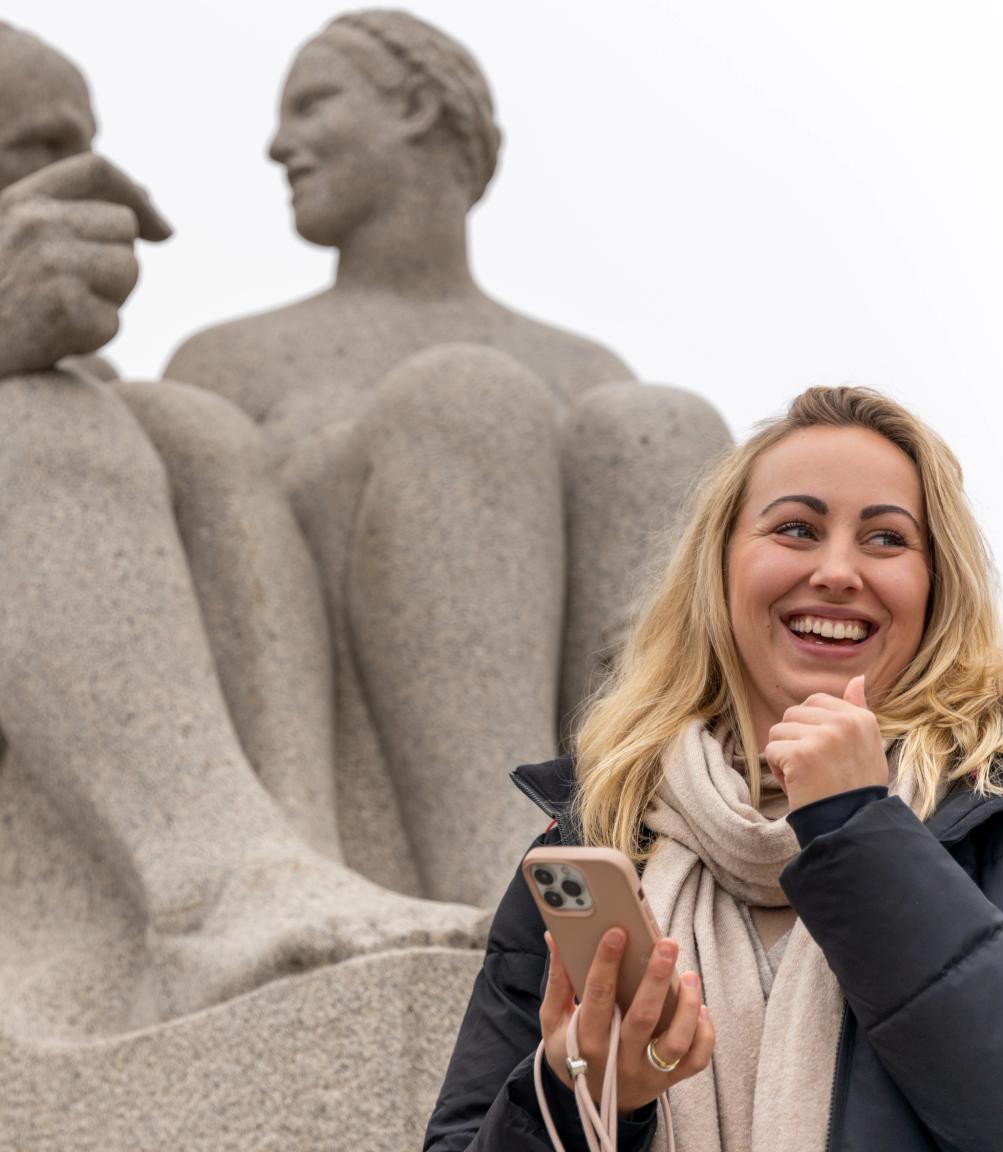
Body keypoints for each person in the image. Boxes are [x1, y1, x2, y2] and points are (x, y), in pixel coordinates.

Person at [0, 17, 482, 1028]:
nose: (75, 181)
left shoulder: (88, 390)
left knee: (187, 426)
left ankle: (293, 857)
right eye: (39, 149)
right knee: (34, 424)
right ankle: (209, 890)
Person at [167, 9, 734, 907]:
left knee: (658, 422)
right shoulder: (224, 362)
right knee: (465, 395)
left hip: (615, 788)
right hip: (356, 779)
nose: (280, 145)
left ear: (420, 110)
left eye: (312, 105)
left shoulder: (588, 372)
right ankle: (509, 881)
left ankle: (680, 852)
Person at [424, 385, 1003, 1151]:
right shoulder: (599, 829)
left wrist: (861, 832)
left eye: (885, 540)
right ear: (723, 567)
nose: (839, 570)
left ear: (936, 586)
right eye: (797, 529)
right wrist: (584, 1092)